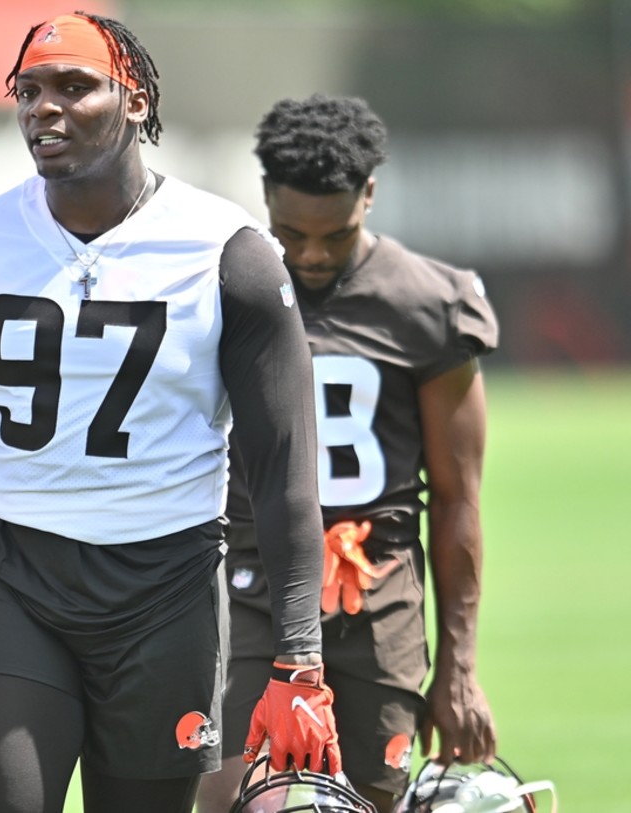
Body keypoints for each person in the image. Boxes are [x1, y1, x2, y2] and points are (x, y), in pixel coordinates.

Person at [0, 13, 341, 813]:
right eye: (29, 91)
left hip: (166, 589)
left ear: (135, 100)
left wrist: (299, 660)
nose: (45, 108)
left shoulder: (228, 252)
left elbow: (282, 468)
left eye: (76, 87)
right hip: (11, 577)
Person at [196, 93, 499, 813]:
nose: (309, 255)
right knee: (225, 799)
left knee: (365, 801)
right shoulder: (219, 286)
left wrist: (458, 668)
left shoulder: (427, 302)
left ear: (370, 193)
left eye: (334, 235)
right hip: (245, 582)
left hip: (377, 592)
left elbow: (458, 496)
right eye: (291, 232)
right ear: (264, 194)